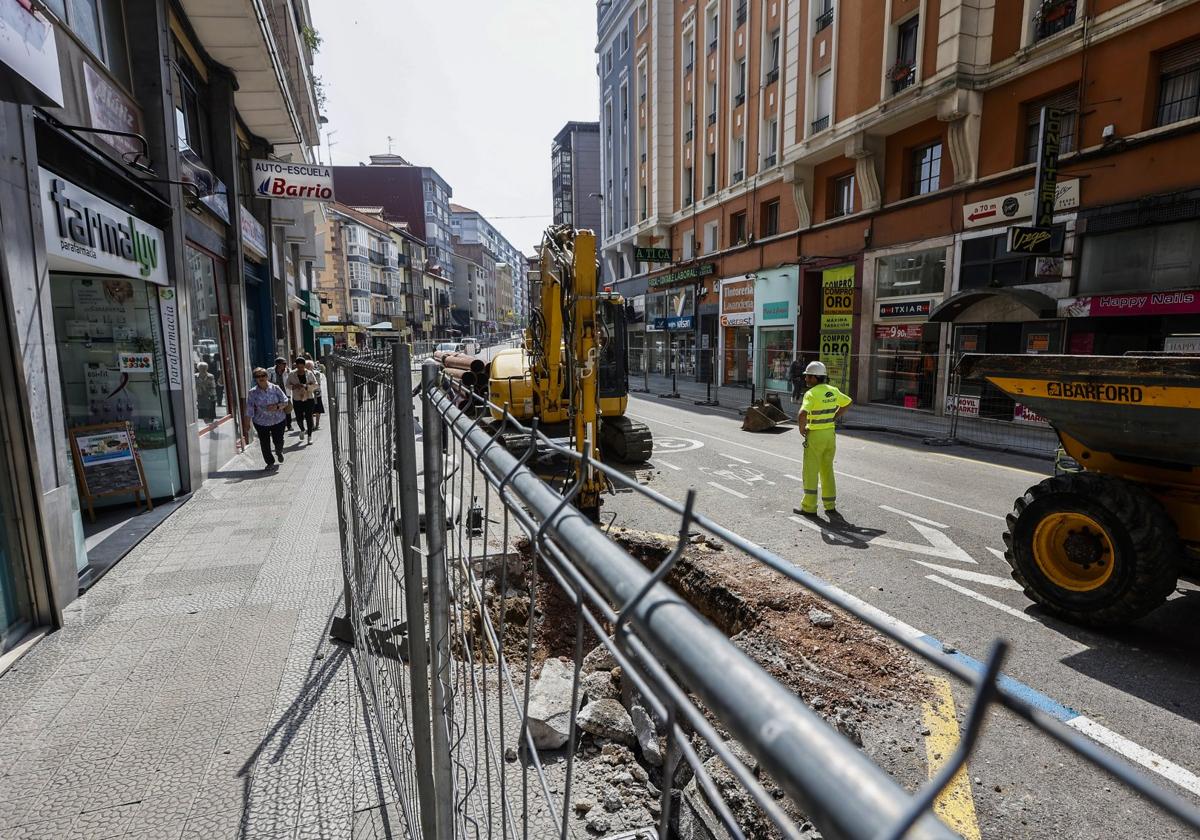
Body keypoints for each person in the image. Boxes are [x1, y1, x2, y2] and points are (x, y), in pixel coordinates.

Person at [794, 360, 852, 518]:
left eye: (808, 377)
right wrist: (834, 416)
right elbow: (847, 402)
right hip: (830, 435)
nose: (806, 379)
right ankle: (830, 504)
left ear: (814, 378)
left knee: (810, 471)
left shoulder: (811, 394)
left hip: (815, 436)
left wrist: (801, 429)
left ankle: (809, 507)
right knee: (827, 470)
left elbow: (802, 414)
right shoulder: (833, 390)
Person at [247, 367, 289, 469]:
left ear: (267, 376)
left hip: (278, 419)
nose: (261, 378)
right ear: (255, 379)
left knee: (278, 440)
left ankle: (279, 451)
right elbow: (250, 408)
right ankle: (270, 462)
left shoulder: (275, 388)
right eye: (258, 376)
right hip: (261, 422)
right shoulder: (252, 392)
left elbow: (285, 401)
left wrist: (277, 406)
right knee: (264, 442)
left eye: (263, 375)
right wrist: (247, 423)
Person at [286, 356, 317, 444]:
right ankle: (302, 429)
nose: (300, 369)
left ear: (304, 366)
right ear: (296, 366)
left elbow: (315, 384)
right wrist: (295, 386)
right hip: (297, 398)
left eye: (302, 367)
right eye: (298, 367)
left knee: (309, 417)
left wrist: (307, 386)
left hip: (309, 398)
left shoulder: (309, 373)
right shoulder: (292, 374)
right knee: (299, 418)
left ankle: (310, 436)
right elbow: (287, 385)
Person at [269, 357, 293, 431]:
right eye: (283, 363)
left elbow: (291, 380)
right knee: (278, 410)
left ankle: (289, 425)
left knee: (288, 409)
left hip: (286, 393)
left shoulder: (288, 371)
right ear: (278, 364)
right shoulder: (270, 371)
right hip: (275, 394)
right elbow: (268, 381)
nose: (285, 365)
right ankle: (281, 425)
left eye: (285, 363)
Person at [306, 359, 325, 430]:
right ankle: (312, 425)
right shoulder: (303, 374)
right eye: (306, 366)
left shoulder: (317, 373)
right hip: (308, 394)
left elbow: (317, 384)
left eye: (309, 366)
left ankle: (317, 424)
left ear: (312, 366)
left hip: (317, 394)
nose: (307, 368)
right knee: (309, 410)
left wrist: (309, 385)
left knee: (318, 409)